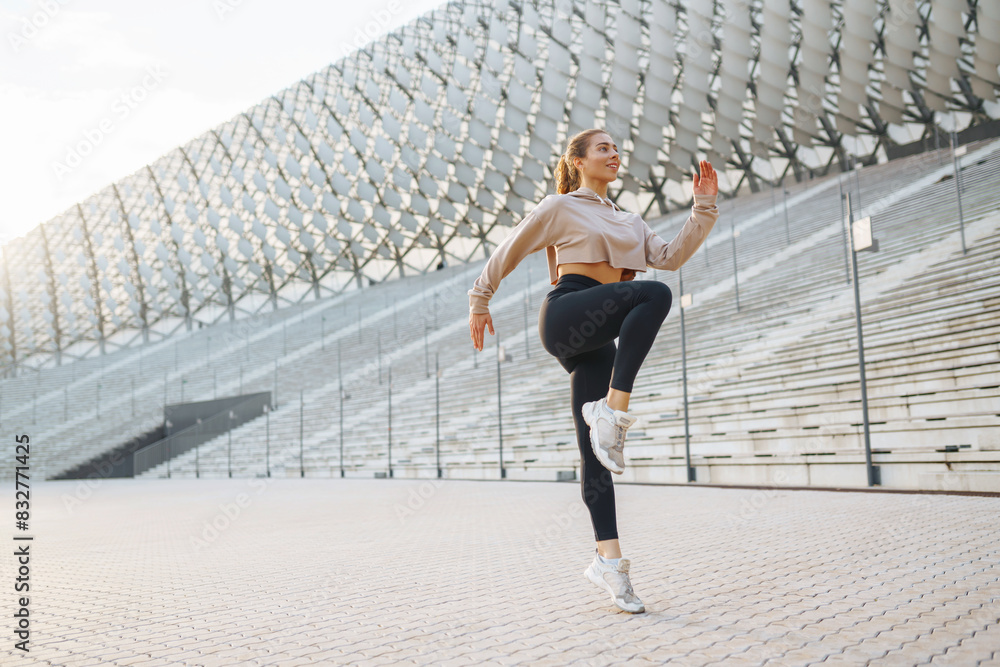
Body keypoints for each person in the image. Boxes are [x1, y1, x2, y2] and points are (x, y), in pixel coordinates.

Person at [468, 128, 719, 613]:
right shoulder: (560, 206)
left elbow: (669, 258)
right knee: (654, 294)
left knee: (595, 459)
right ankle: (612, 411)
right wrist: (480, 297)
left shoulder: (630, 219)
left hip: (599, 333)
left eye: (617, 148)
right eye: (603, 148)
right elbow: (512, 248)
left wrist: (702, 207)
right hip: (566, 313)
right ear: (578, 161)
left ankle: (610, 563)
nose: (614, 154)